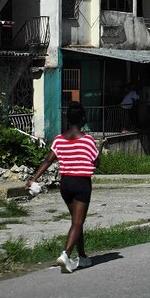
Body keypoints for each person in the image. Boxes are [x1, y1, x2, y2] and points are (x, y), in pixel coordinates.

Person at [27, 102, 99, 273]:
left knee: (76, 221)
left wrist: (33, 179)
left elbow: (48, 160)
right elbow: (96, 162)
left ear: (68, 118)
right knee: (77, 222)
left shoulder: (59, 140)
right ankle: (65, 255)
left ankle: (82, 256)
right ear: (83, 118)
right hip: (81, 183)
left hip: (65, 184)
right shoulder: (88, 140)